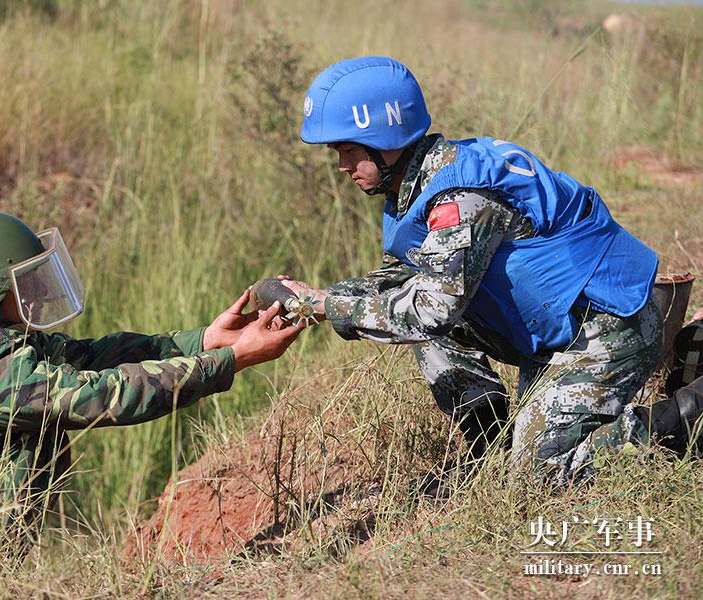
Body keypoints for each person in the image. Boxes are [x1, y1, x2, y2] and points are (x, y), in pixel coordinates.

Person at [0, 211, 303, 598]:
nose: (38, 290)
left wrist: (204, 340)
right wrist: (230, 361)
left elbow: (90, 359)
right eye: (25, 281)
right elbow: (102, 395)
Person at [283, 56, 703, 493]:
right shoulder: (415, 185)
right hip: (555, 328)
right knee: (431, 319)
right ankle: (490, 446)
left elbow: (430, 312)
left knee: (535, 476)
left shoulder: (461, 197)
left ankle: (689, 411)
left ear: (385, 138)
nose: (342, 167)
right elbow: (400, 279)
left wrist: (326, 306)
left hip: (610, 327)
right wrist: (308, 300)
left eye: (349, 151)